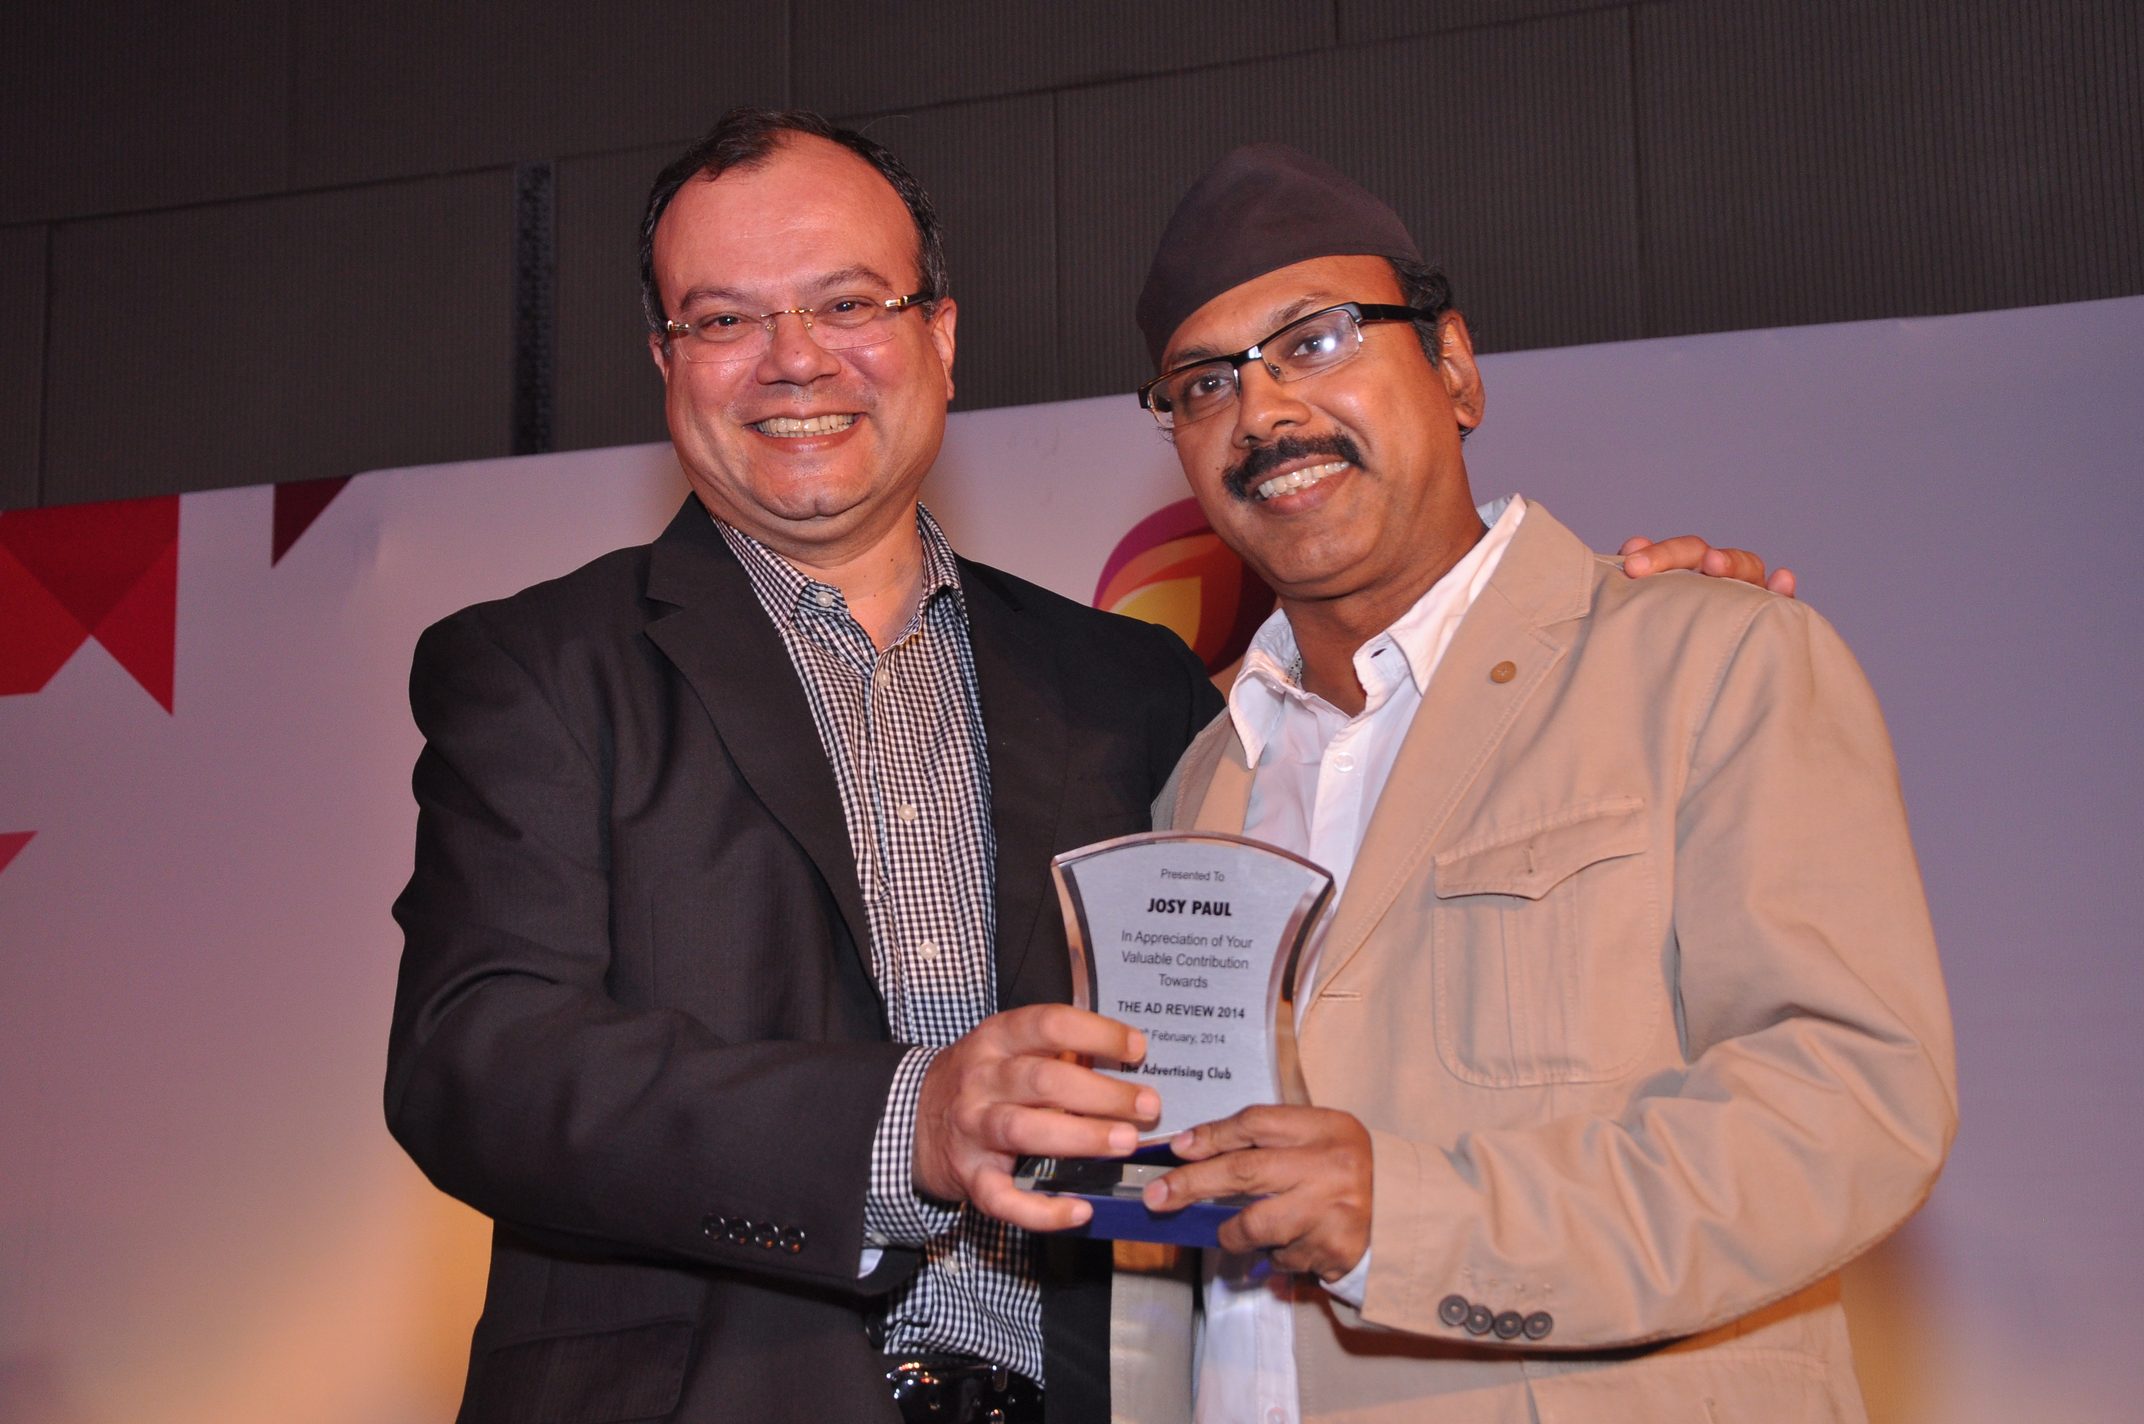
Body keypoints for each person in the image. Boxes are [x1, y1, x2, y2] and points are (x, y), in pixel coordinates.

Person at [384, 108, 1793, 1424]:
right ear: (666, 360)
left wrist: (1601, 628)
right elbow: (475, 1059)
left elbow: (1372, 793)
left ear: (941, 336)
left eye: (848, 303)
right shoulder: (537, 668)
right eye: (723, 319)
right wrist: (904, 1124)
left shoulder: (1134, 690)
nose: (792, 358)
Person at [1116, 144, 1957, 1423]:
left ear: (1452, 366)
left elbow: (1849, 1101)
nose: (1263, 411)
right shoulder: (1198, 779)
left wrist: (1406, 1218)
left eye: (1316, 340)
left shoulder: (1703, 662)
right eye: (1203, 383)